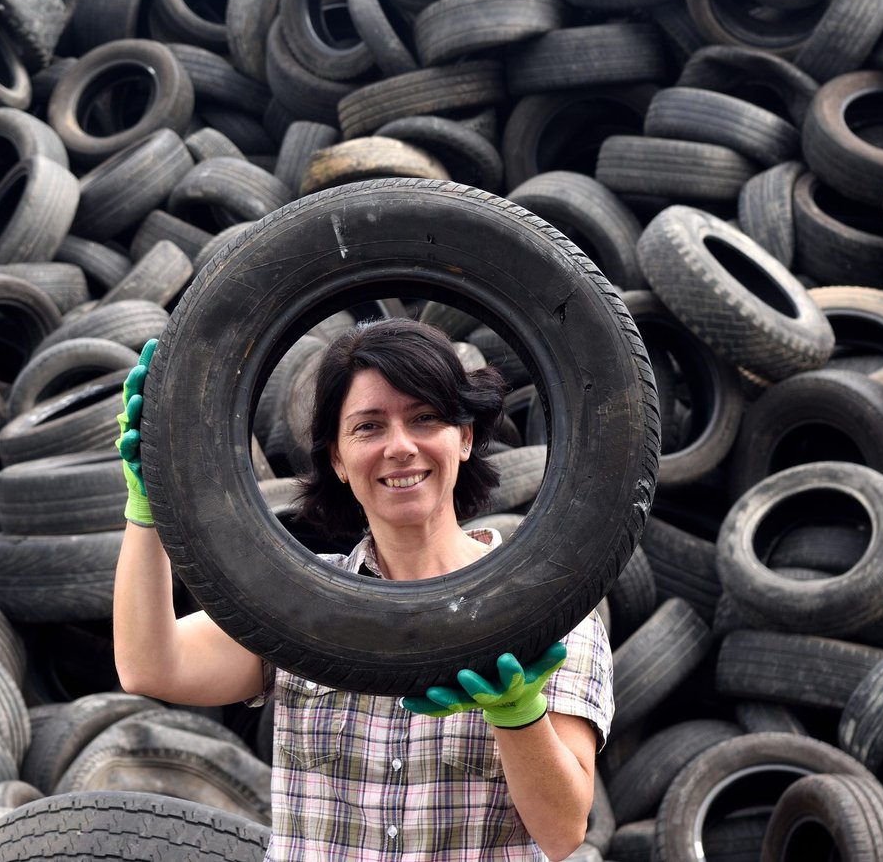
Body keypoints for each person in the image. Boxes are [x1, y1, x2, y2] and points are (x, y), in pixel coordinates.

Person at [112, 318, 614, 862]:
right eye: (368, 427)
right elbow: (149, 666)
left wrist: (519, 715)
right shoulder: (296, 600)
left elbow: (563, 833)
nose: (400, 447)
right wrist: (151, 504)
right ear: (337, 459)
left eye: (424, 418)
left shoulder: (547, 609)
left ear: (464, 437)